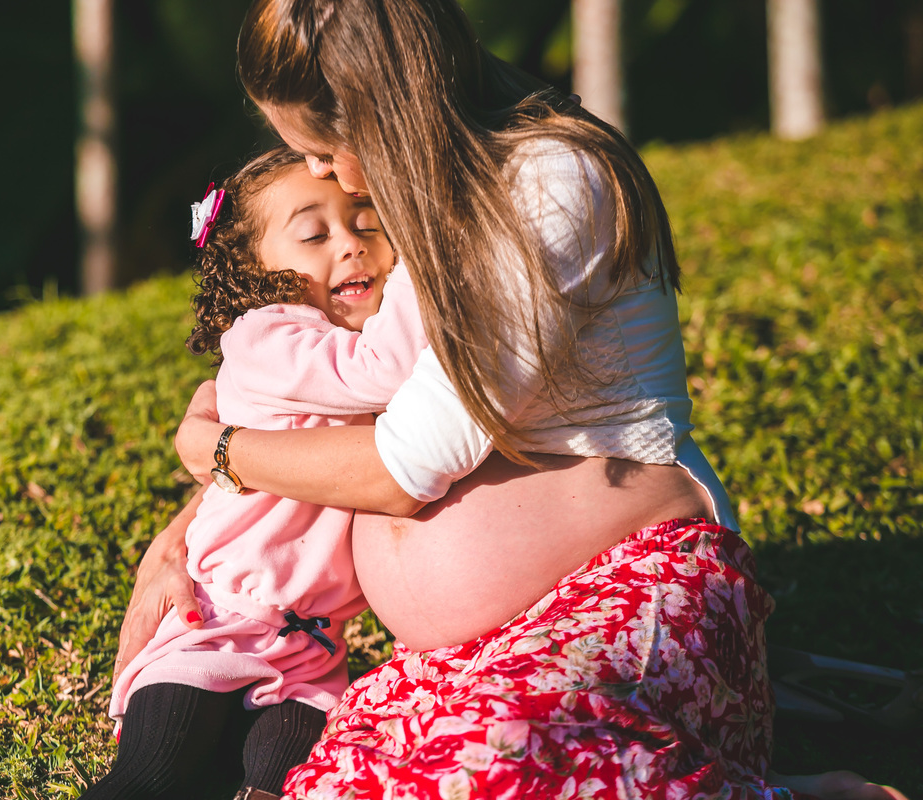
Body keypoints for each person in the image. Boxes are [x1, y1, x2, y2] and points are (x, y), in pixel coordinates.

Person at [117, 2, 910, 799]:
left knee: (501, 763)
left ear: (384, 109)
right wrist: (187, 529)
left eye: (325, 150)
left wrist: (216, 451)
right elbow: (318, 410)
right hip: (474, 645)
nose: (328, 177)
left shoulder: (548, 187)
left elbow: (406, 465)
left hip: (626, 578)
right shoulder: (424, 203)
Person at [82, 145, 429, 800]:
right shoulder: (267, 336)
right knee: (153, 777)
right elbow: (382, 371)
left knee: (277, 787)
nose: (352, 245)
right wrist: (421, 257)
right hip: (212, 625)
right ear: (256, 270)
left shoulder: (357, 343)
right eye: (314, 235)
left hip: (310, 653)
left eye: (366, 224)